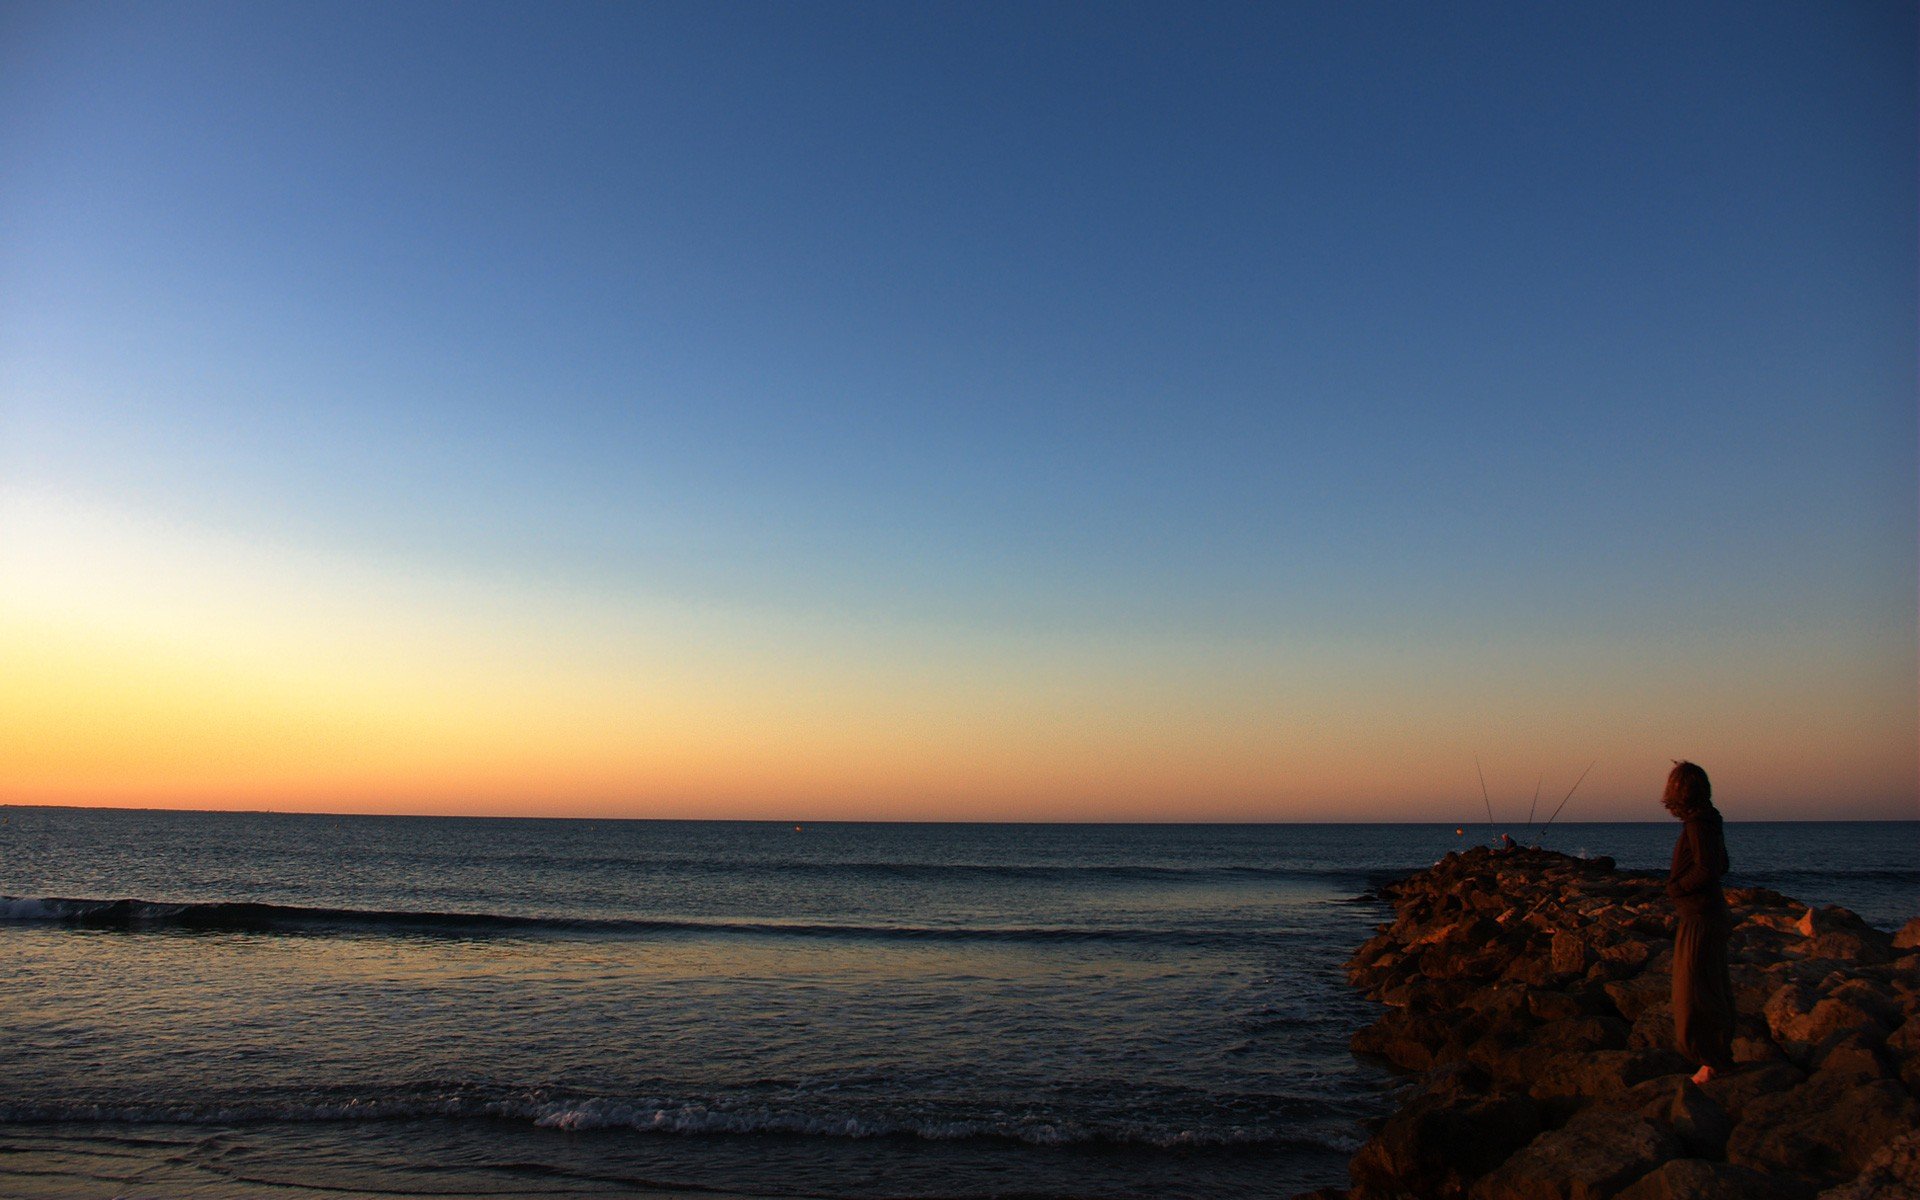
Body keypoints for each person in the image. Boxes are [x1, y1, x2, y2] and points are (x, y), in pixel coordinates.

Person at [1663, 760, 1734, 1084]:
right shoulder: (1708, 822)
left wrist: (1676, 887)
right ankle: (1717, 1057)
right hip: (1706, 914)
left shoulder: (1698, 825)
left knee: (1691, 991)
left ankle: (1711, 1060)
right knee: (1710, 986)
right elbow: (1722, 864)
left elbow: (1708, 868)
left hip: (1700, 916)